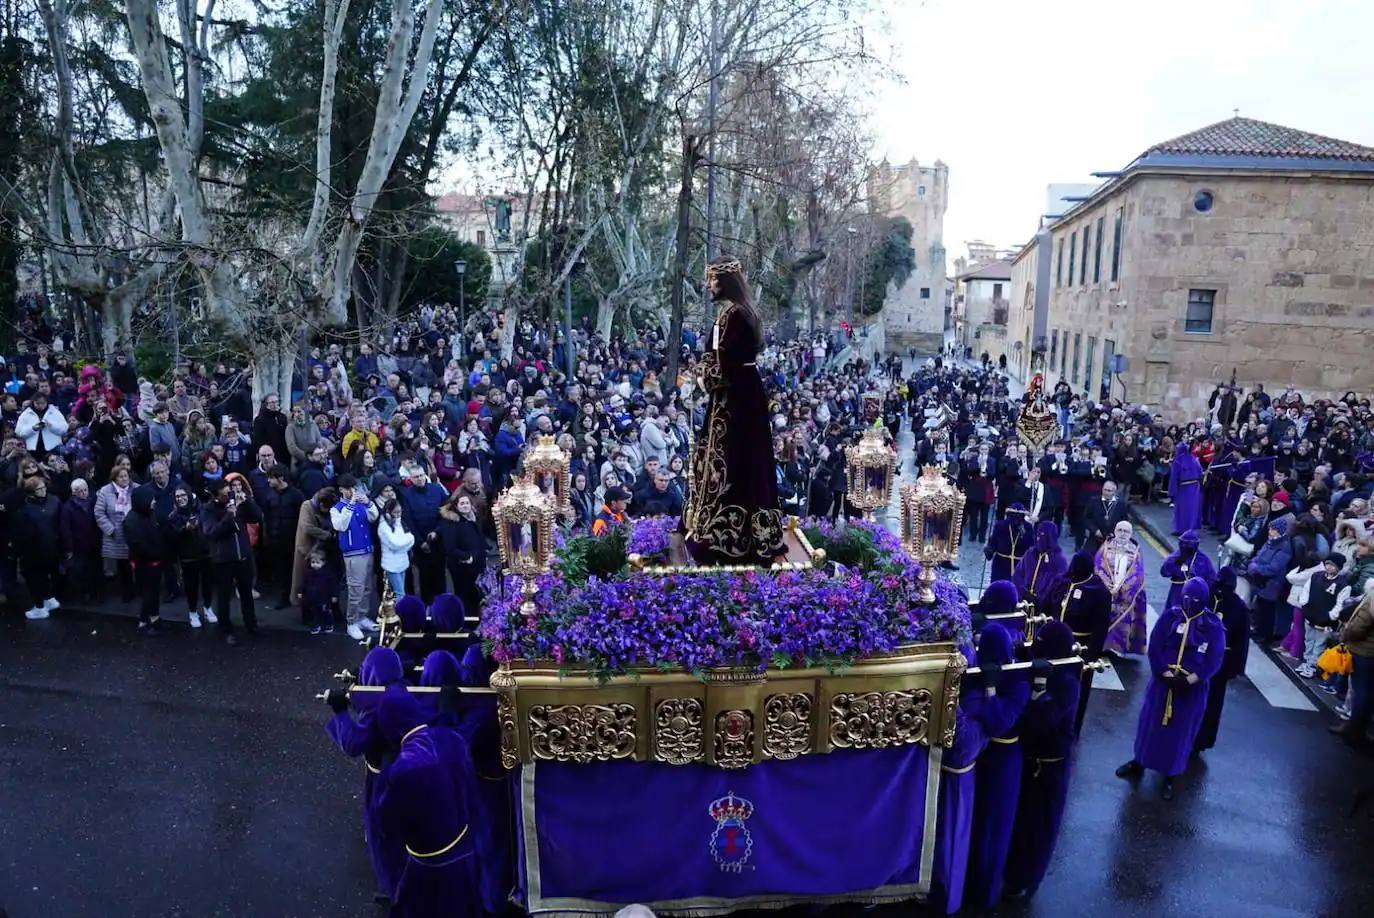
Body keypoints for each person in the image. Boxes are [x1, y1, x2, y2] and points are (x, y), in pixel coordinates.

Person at [681, 255, 785, 565]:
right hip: (746, 393)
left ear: (725, 282)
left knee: (727, 460)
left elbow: (720, 366)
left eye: (713, 279)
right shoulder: (747, 312)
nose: (708, 285)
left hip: (733, 399)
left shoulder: (731, 316)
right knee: (747, 461)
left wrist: (700, 377)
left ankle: (720, 536)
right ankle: (751, 533)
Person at [1115, 577, 1225, 800]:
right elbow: (1155, 645)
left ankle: (1170, 775)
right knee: (1149, 724)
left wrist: (1190, 680)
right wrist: (1164, 673)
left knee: (1180, 733)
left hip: (1190, 689)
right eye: (1186, 597)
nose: (1189, 602)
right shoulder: (1171, 617)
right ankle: (1139, 762)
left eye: (1194, 599)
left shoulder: (1213, 626)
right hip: (1163, 683)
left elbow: (1214, 659)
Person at [324, 647, 410, 903]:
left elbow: (353, 744)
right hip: (409, 769)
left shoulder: (376, 708)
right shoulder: (407, 689)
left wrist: (340, 712)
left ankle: (392, 887)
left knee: (382, 833)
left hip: (381, 776)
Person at [1003, 620, 1081, 899]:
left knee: (1040, 826)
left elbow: (1042, 718)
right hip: (1029, 760)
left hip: (1049, 768)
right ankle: (1011, 871)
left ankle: (1027, 879)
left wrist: (1037, 691)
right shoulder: (1041, 665)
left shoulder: (1068, 683)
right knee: (1020, 821)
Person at [965, 623, 1031, 909]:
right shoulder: (978, 674)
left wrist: (990, 692)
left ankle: (985, 892)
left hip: (1003, 762)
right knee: (975, 823)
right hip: (982, 761)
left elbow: (999, 721)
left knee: (994, 827)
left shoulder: (1018, 680)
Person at [1040, 550, 1111, 735]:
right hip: (1055, 642)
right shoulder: (1061, 582)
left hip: (1080, 646)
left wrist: (1091, 654)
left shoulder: (1099, 592)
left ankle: (1071, 728)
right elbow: (1046, 605)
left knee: (1075, 689)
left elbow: (1101, 626)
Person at [201, 478, 263, 645]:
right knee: (224, 597)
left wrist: (247, 502)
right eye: (225, 492)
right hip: (223, 560)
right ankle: (226, 629)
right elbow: (211, 532)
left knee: (246, 594)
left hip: (242, 556)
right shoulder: (209, 510)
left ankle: (252, 625)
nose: (229, 494)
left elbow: (257, 516)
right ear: (216, 495)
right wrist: (229, 515)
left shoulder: (238, 504)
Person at [1193, 568, 1250, 753]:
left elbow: (1242, 640)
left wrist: (1235, 667)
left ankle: (1203, 739)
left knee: (1212, 704)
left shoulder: (1238, 607)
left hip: (1221, 662)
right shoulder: (1206, 598)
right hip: (1198, 657)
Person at [332, 474, 380, 640]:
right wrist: (351, 504)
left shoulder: (361, 504)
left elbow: (374, 517)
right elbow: (340, 525)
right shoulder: (336, 508)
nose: (353, 491)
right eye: (349, 489)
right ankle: (351, 622)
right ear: (341, 490)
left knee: (367, 587)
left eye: (354, 488)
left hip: (367, 550)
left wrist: (367, 502)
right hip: (353, 553)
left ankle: (362, 617)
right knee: (355, 589)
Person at [1095, 520, 1148, 655]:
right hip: (1106, 591)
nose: (1122, 534)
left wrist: (1122, 589)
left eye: (1126, 531)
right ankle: (1101, 645)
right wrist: (1108, 587)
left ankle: (1117, 648)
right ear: (1114, 531)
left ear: (1131, 534)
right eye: (1120, 530)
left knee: (1122, 622)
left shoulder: (1135, 551)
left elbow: (1138, 573)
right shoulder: (1105, 547)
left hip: (1125, 594)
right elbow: (1098, 567)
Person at [1332, 580, 1374, 744]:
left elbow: (1357, 628)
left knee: (1360, 692)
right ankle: (1360, 728)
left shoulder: (1371, 600)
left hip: (1364, 652)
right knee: (1369, 692)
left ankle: (1354, 729)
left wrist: (1346, 632)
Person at [15, 477, 63, 619]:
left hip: (35, 552)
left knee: (34, 579)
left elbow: (22, 534)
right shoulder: (51, 502)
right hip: (47, 548)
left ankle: (39, 607)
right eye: (40, 489)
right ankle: (48, 599)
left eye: (44, 487)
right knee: (43, 577)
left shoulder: (25, 510)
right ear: (31, 492)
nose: (44, 490)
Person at [122, 486, 168, 633]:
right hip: (145, 562)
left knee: (154, 591)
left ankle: (154, 616)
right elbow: (138, 545)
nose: (154, 501)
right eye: (151, 499)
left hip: (154, 560)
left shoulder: (147, 514)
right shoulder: (132, 520)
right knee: (148, 592)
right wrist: (156, 553)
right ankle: (144, 621)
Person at [168, 485, 215, 628]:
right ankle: (193, 612)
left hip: (205, 552)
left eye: (183, 495)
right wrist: (185, 529)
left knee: (208, 583)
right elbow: (174, 537)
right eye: (177, 497)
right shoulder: (173, 516)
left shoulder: (200, 509)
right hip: (188, 556)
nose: (180, 499)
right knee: (191, 586)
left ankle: (208, 608)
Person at [439, 491, 486, 616]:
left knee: (477, 594)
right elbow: (450, 547)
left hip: (476, 564)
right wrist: (466, 557)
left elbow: (479, 540)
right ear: (456, 506)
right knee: (464, 596)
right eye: (462, 503)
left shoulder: (473, 519)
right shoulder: (451, 524)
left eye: (467, 503)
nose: (465, 505)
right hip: (461, 567)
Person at [1159, 530, 1217, 611]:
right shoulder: (1176, 556)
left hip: (1196, 598)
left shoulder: (1203, 560)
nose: (1184, 547)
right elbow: (1164, 572)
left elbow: (1211, 580)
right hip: (1177, 596)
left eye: (1187, 545)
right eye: (1182, 544)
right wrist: (1176, 563)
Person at [1012, 521, 1066, 606]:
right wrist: (1023, 592)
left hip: (1044, 607)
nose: (1039, 538)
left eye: (1043, 535)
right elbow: (1017, 574)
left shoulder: (1059, 560)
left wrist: (1042, 599)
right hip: (1023, 602)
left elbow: (1059, 585)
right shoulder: (1030, 554)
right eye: (1038, 535)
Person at [984, 504, 1031, 585]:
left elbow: (1030, 546)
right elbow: (993, 542)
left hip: (1019, 566)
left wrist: (1024, 536)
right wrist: (989, 550)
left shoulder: (1027, 527)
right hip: (1001, 565)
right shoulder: (1001, 525)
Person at [1079, 479, 1128, 555]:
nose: (1106, 492)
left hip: (1113, 540)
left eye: (1109, 491)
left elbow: (1124, 522)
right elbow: (1086, 518)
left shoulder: (1120, 504)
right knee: (1087, 558)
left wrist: (1116, 533)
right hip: (1095, 539)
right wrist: (1095, 530)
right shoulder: (1093, 501)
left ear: (1114, 492)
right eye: (1105, 490)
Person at [379, 498, 415, 598]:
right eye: (396, 512)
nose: (399, 515)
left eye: (400, 512)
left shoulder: (399, 522)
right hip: (391, 565)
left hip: (402, 562)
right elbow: (395, 544)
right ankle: (401, 613)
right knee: (400, 593)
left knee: (400, 591)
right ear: (388, 512)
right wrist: (408, 540)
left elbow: (409, 540)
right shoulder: (383, 526)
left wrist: (405, 541)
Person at [1169, 441, 1203, 534]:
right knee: (1192, 509)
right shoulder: (1195, 459)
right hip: (1195, 487)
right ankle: (1191, 529)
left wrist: (1172, 492)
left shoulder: (1177, 461)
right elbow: (1200, 473)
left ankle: (1181, 529)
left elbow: (1174, 477)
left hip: (1183, 488)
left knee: (1181, 509)